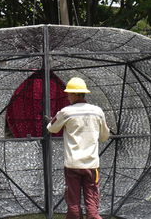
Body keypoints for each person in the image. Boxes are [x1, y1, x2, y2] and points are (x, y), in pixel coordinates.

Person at [47, 77, 110, 219]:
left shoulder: (66, 112)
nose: (68, 96)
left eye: (69, 93)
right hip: (92, 165)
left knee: (73, 201)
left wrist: (53, 119)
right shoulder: (97, 111)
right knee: (92, 200)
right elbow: (104, 136)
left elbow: (51, 128)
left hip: (72, 164)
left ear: (75, 94)